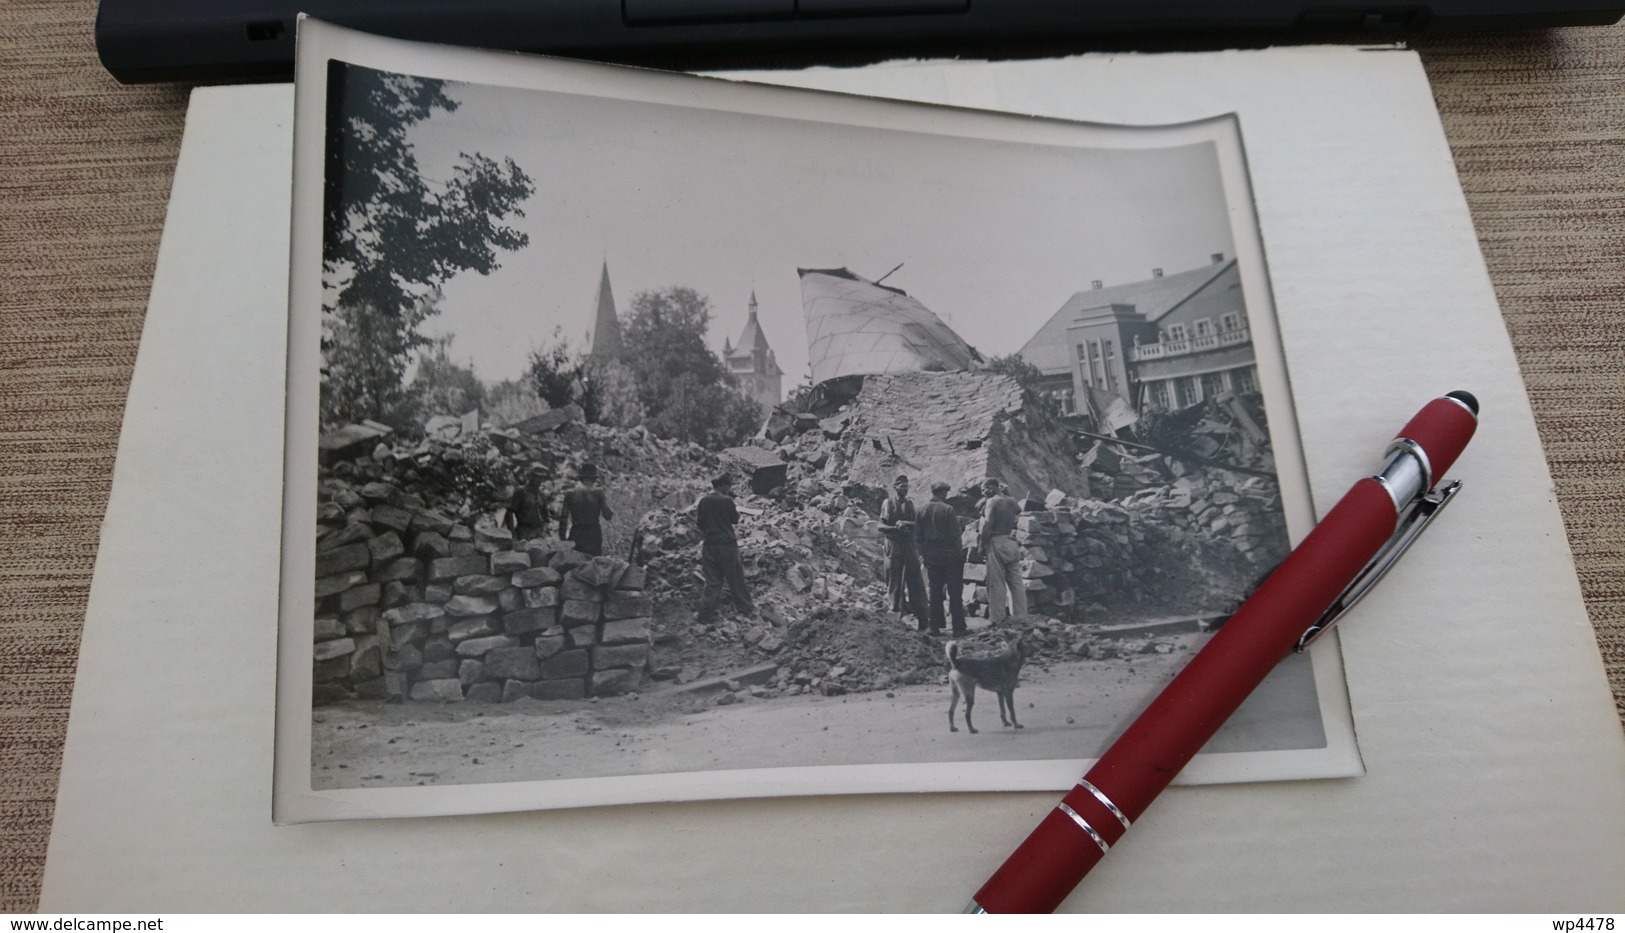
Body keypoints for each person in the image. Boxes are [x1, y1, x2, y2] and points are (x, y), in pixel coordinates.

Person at [696, 473, 755, 622]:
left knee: (713, 581)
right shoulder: (728, 501)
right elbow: (734, 520)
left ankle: (704, 614)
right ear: (723, 486)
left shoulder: (703, 500)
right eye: (728, 487)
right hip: (727, 545)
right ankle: (746, 608)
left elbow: (700, 524)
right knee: (735, 577)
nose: (729, 490)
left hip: (709, 544)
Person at [915, 480, 967, 636]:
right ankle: (958, 628)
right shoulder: (948, 510)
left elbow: (917, 537)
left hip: (932, 557)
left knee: (935, 592)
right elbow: (955, 535)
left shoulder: (921, 510)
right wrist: (960, 555)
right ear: (942, 492)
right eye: (946, 492)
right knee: (955, 592)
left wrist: (924, 554)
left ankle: (934, 627)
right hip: (950, 556)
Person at [880, 474, 928, 629]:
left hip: (908, 546)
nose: (905, 489)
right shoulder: (888, 503)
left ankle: (922, 618)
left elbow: (917, 524)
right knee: (894, 581)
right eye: (902, 486)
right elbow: (880, 527)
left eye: (907, 487)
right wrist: (896, 529)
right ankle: (895, 617)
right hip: (893, 546)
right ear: (895, 487)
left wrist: (907, 525)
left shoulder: (910, 504)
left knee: (915, 579)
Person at [978, 477, 1027, 624]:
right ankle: (1020, 616)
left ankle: (997, 619)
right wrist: (1008, 493)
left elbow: (987, 526)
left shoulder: (992, 502)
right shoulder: (1011, 501)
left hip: (996, 541)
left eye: (984, 489)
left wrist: (981, 545)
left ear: (992, 488)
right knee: (1016, 582)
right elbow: (1018, 510)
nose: (983, 493)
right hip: (1010, 541)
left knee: (996, 583)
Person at [558, 462, 614, 556]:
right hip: (593, 534)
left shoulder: (570, 493)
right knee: (592, 564)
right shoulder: (598, 492)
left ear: (580, 477)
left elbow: (563, 518)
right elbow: (607, 516)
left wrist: (563, 539)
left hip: (576, 532)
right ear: (594, 478)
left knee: (575, 564)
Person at [505, 463, 553, 543]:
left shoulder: (542, 495)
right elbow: (509, 514)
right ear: (530, 476)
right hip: (523, 532)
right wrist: (513, 535)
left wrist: (543, 532)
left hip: (538, 534)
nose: (539, 480)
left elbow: (546, 518)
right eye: (536, 477)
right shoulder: (521, 492)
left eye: (541, 477)